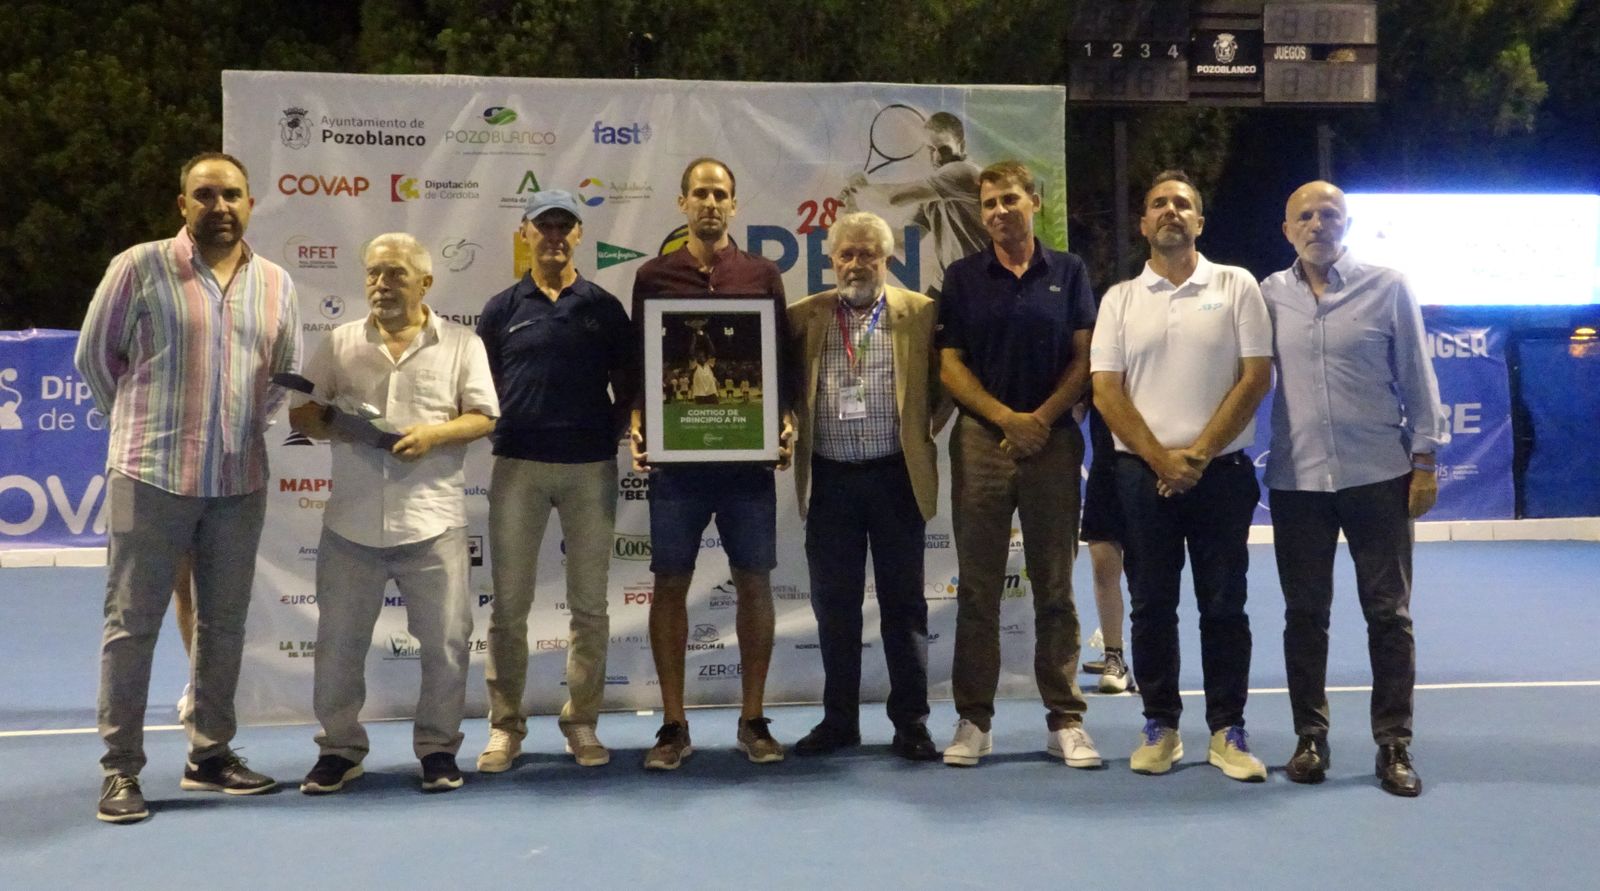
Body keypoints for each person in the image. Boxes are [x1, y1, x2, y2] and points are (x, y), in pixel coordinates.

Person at [77, 151, 301, 823]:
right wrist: (147, 430)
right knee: (132, 624)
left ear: (251, 203)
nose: (219, 206)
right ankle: (120, 769)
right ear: (183, 205)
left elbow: (281, 376)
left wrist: (237, 432)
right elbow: (95, 358)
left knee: (224, 623)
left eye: (231, 193)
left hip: (238, 480)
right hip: (150, 475)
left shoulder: (276, 284)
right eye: (204, 194)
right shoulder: (138, 266)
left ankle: (210, 752)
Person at [288, 233, 498, 794]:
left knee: (447, 646)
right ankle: (339, 749)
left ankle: (437, 749)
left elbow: (483, 417)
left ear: (425, 283)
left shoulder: (461, 343)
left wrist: (433, 435)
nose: (381, 284)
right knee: (337, 645)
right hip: (350, 524)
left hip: (434, 523)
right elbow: (301, 413)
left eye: (395, 274)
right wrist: (336, 423)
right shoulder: (336, 343)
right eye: (374, 274)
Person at [1262, 181, 1446, 797]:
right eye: (1304, 216)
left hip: (1380, 477)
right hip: (1297, 482)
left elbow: (1418, 379)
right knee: (1304, 615)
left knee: (1388, 616)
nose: (1317, 223)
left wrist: (1425, 460)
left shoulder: (1388, 287)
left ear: (1347, 224)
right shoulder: (1266, 296)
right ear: (1288, 230)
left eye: (1329, 214)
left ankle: (1394, 744)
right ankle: (1310, 737)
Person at [1090, 170, 1273, 782]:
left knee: (1225, 605)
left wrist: (1194, 456)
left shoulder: (1236, 284)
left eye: (1183, 204)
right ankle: (1161, 727)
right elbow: (1106, 393)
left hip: (1219, 476)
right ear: (1143, 224)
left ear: (1199, 222)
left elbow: (1255, 378)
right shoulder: (1119, 299)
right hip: (1142, 478)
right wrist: (1160, 460)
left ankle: (1228, 730)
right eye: (1158, 204)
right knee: (1151, 606)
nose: (1170, 211)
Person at [629, 157, 794, 769]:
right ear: (681, 203)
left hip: (747, 464)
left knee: (755, 580)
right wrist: (640, 421)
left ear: (734, 205)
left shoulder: (762, 274)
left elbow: (782, 364)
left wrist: (785, 422)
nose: (710, 203)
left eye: (720, 194)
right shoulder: (653, 277)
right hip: (678, 467)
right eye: (699, 193)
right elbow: (641, 365)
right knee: (669, 584)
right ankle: (673, 725)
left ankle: (753, 720)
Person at [936, 161, 1101, 769]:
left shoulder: (1071, 272)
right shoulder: (961, 277)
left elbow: (1085, 358)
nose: (999, 212)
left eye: (1010, 199)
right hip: (982, 442)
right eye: (988, 204)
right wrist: (1007, 419)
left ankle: (1066, 720)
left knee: (1055, 586)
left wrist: (1040, 419)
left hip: (1054, 441)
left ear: (1034, 201)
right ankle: (973, 721)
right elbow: (950, 367)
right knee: (978, 589)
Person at [474, 190, 637, 773]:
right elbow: (483, 385)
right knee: (509, 608)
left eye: (564, 227)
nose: (554, 237)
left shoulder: (603, 305)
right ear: (525, 233)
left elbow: (631, 383)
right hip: (518, 465)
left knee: (589, 607)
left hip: (590, 467)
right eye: (544, 226)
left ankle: (582, 723)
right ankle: (504, 726)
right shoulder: (500, 308)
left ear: (578, 236)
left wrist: (609, 432)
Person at [787, 212, 942, 761]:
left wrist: (921, 434)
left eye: (868, 254)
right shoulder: (803, 317)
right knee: (835, 608)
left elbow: (941, 390)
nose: (856, 264)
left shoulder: (920, 314)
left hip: (896, 477)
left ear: (887, 259)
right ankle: (839, 721)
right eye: (846, 254)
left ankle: (912, 724)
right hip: (830, 480)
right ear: (831, 261)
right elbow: (786, 392)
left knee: (904, 608)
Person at [841, 111, 986, 295]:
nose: (937, 158)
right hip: (945, 285)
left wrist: (859, 186)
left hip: (979, 286)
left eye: (944, 149)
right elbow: (905, 243)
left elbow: (893, 199)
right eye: (931, 150)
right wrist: (856, 214)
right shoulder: (933, 192)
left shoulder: (964, 173)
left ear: (962, 146)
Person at [1079, 402, 1133, 695]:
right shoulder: (1097, 357)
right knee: (1103, 566)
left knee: (1148, 576)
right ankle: (1114, 656)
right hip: (1106, 469)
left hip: (1153, 467)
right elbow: (1076, 410)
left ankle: (1154, 660)